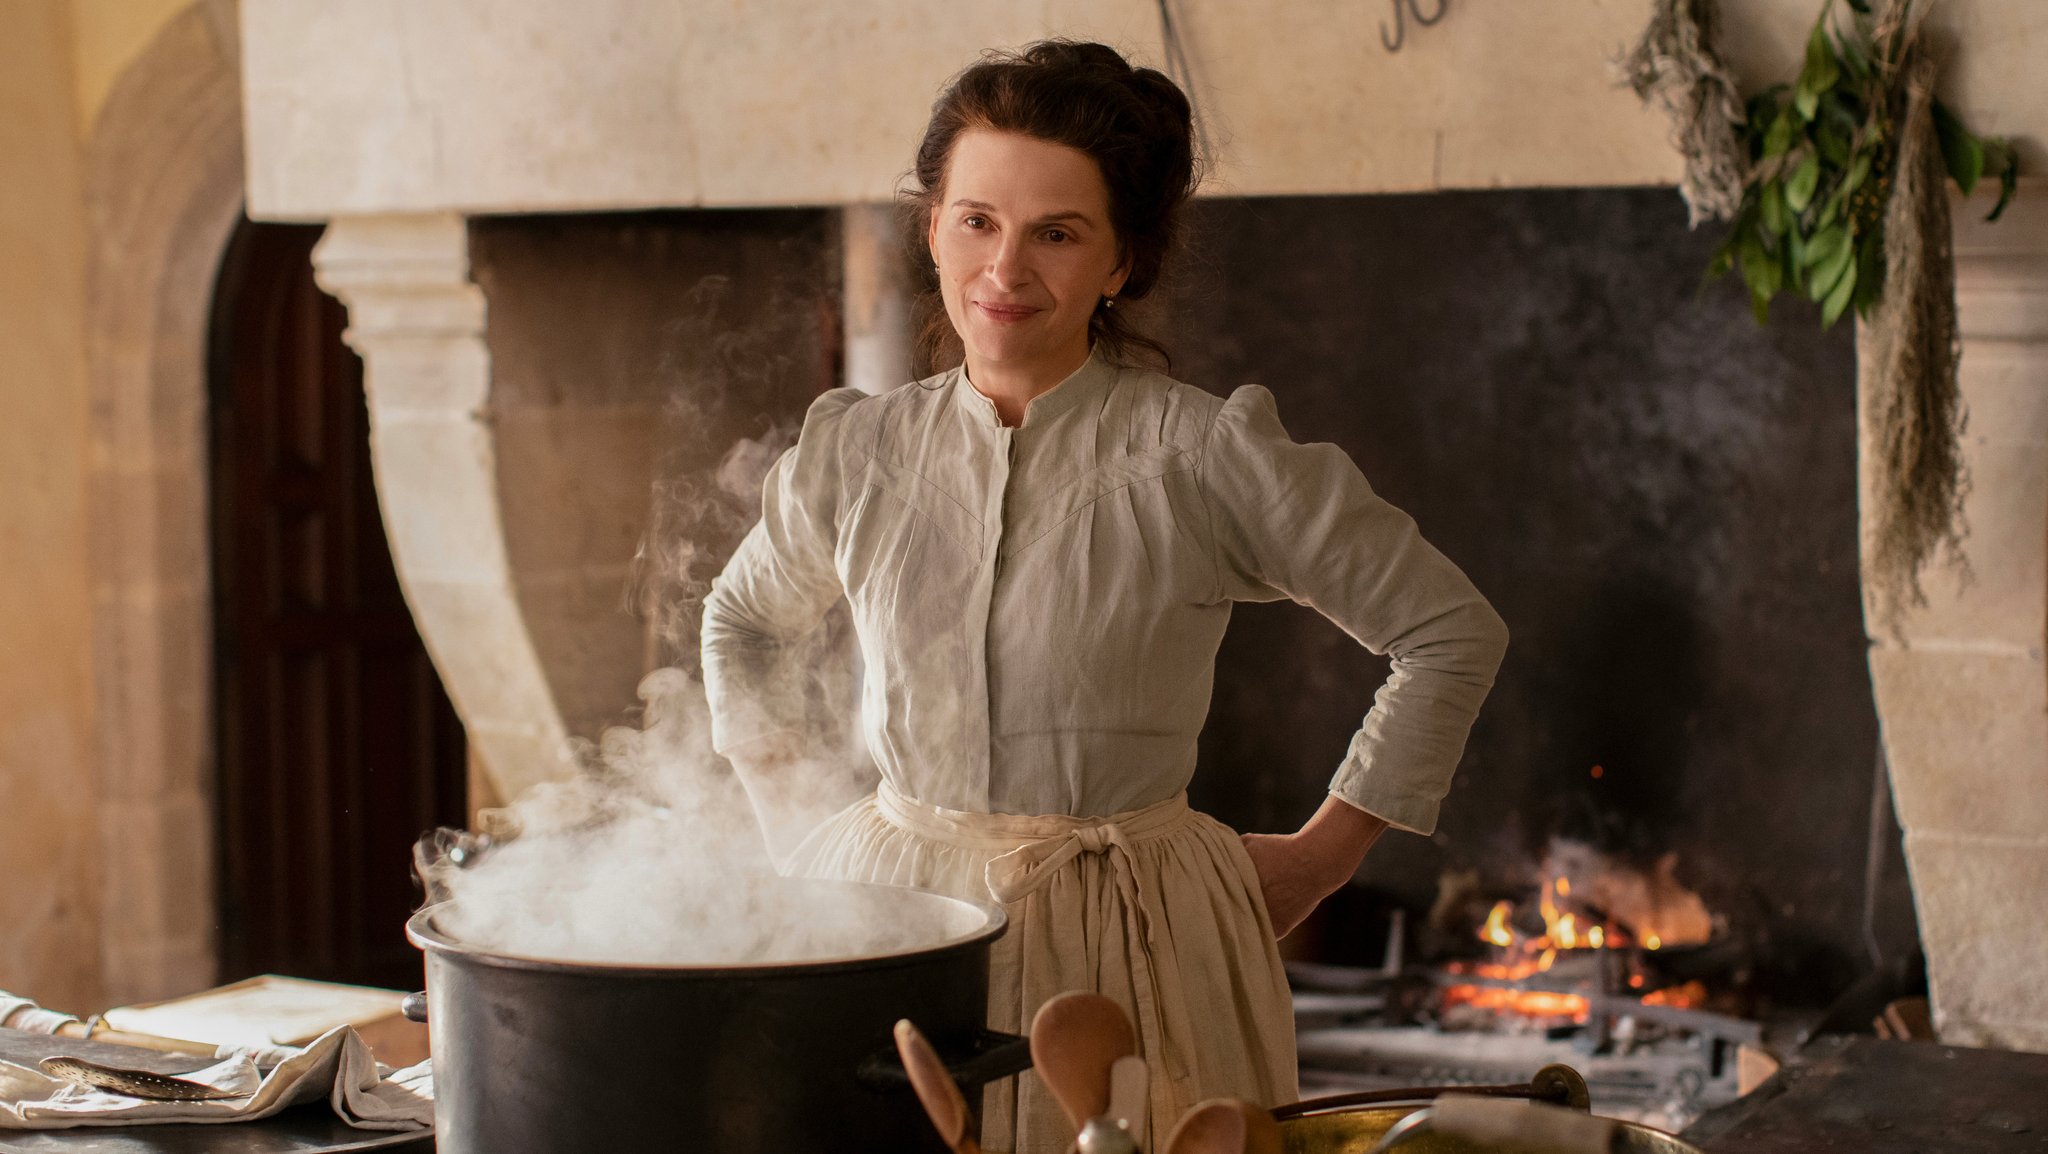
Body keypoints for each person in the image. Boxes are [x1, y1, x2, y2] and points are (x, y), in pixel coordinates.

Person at [701, 39, 1508, 1152]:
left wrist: (1320, 855)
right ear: (931, 223)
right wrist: (797, 829)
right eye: (975, 219)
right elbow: (740, 623)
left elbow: (1447, 630)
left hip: (1132, 942)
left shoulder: (1206, 455)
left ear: (1121, 263)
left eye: (1057, 233)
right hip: (887, 931)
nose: (1005, 268)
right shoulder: (856, 452)